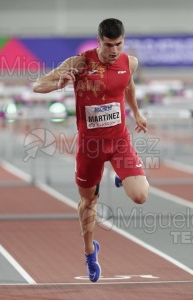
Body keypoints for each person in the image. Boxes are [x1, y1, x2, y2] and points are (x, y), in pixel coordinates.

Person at [33, 18, 149, 282]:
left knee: (141, 196)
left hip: (119, 142)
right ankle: (89, 251)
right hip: (90, 147)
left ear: (123, 41)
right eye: (109, 45)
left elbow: (128, 86)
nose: (114, 51)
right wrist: (58, 83)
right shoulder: (80, 62)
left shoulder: (129, 62)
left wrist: (137, 113)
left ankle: (121, 172)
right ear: (99, 41)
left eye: (118, 45)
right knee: (89, 202)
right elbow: (37, 85)